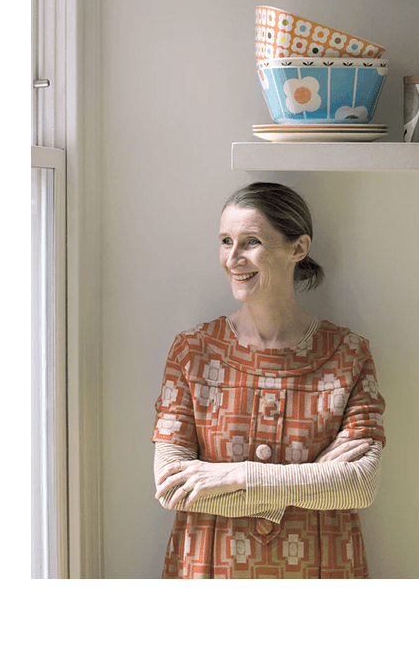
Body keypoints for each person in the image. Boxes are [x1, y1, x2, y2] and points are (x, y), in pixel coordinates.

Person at [152, 182, 386, 579]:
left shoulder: (347, 353)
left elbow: (360, 485)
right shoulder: (193, 351)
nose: (232, 258)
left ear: (298, 248)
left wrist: (234, 476)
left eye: (251, 242)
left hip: (323, 565)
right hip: (209, 566)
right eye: (226, 241)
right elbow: (173, 487)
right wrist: (311, 482)